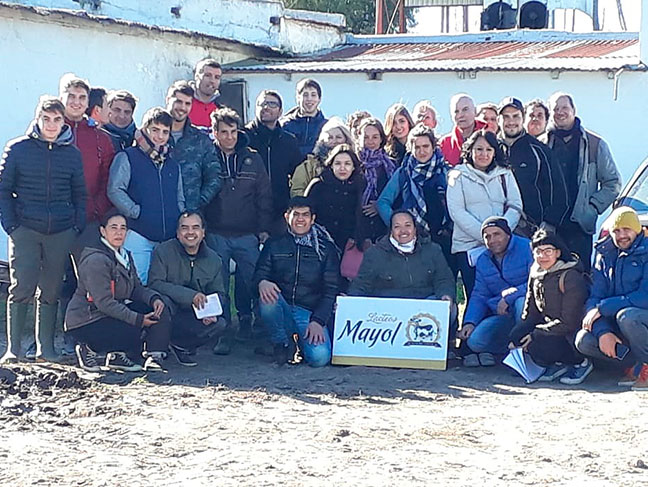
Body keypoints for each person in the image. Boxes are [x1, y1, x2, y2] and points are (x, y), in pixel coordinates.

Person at [0, 96, 86, 363]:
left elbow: (80, 194)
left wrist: (75, 226)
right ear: (38, 119)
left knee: (50, 289)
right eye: (46, 119)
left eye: (57, 120)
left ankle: (45, 349)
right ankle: (13, 349)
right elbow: (4, 189)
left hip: (61, 231)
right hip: (25, 228)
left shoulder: (72, 154)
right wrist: (11, 225)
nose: (51, 124)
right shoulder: (17, 149)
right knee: (22, 286)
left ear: (64, 122)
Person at [65, 210, 170, 373]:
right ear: (103, 231)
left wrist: (154, 299)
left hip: (110, 314)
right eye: (113, 228)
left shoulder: (125, 255)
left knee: (159, 309)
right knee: (133, 329)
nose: (119, 232)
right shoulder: (96, 260)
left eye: (123, 228)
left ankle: (152, 357)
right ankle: (88, 349)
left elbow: (136, 288)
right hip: (88, 318)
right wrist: (138, 319)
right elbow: (104, 302)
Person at [204, 107, 272, 353]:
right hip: (216, 232)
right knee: (217, 285)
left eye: (233, 131)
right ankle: (223, 332)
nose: (229, 137)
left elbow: (264, 195)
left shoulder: (252, 158)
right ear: (215, 133)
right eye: (224, 132)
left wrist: (263, 228)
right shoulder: (207, 157)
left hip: (247, 233)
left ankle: (261, 330)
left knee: (255, 280)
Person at [254, 197, 339, 367]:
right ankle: (282, 344)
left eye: (305, 215)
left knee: (320, 358)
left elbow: (331, 290)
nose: (300, 219)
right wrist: (262, 282)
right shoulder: (273, 244)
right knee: (267, 297)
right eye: (296, 214)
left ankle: (299, 343)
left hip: (308, 311)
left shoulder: (326, 249)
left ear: (313, 219)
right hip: (281, 306)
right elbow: (257, 276)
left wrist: (318, 320)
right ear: (287, 217)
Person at [107, 107, 185, 284]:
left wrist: (179, 214)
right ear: (145, 129)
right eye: (155, 130)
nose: (160, 136)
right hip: (138, 234)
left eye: (165, 132)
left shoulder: (172, 163)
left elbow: (179, 196)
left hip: (168, 237)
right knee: (136, 283)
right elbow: (115, 189)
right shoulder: (127, 157)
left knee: (167, 283)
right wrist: (135, 212)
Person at [545, 92, 621, 270]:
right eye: (555, 108)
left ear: (574, 110)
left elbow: (613, 182)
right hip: (550, 226)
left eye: (564, 107)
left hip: (579, 226)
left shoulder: (595, 144)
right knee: (549, 280)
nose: (560, 112)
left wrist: (592, 207)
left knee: (580, 279)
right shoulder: (542, 145)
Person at [575, 207, 648, 390]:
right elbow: (594, 298)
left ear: (637, 230)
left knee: (628, 317)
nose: (621, 235)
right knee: (583, 340)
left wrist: (604, 308)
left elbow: (645, 296)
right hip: (616, 318)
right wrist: (603, 332)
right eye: (616, 230)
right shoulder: (604, 254)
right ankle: (633, 366)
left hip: (638, 317)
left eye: (626, 229)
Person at [509, 229, 589, 383]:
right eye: (538, 251)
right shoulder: (535, 275)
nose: (543, 256)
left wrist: (534, 335)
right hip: (550, 327)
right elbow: (529, 313)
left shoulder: (570, 276)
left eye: (548, 251)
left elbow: (570, 322)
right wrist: (517, 336)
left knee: (538, 341)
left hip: (571, 332)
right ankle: (557, 363)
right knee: (517, 335)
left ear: (558, 253)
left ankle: (580, 362)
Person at [148, 212, 228, 366]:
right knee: (160, 301)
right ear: (178, 233)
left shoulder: (214, 259)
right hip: (168, 309)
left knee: (219, 324)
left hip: (194, 313)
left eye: (195, 228)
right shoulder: (163, 251)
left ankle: (182, 346)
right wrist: (190, 296)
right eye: (184, 228)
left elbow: (219, 293)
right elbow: (155, 283)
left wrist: (211, 311)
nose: (190, 232)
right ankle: (155, 352)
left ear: (203, 233)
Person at [457, 217, 532, 367]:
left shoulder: (527, 248)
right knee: (475, 341)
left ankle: (527, 356)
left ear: (508, 234)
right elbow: (479, 294)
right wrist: (470, 322)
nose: (492, 240)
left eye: (497, 234)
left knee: (520, 302)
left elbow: (536, 283)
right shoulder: (483, 259)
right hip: (504, 315)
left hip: (530, 313)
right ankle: (511, 350)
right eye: (487, 236)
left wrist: (509, 298)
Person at [377, 124, 453, 270]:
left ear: (433, 147)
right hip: (416, 239)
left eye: (425, 146)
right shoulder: (404, 173)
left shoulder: (446, 171)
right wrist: (399, 226)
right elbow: (383, 202)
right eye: (417, 147)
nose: (422, 151)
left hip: (444, 237)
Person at [497, 97, 568, 235]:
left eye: (515, 116)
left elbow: (558, 191)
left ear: (523, 118)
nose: (511, 122)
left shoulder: (539, 150)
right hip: (496, 231)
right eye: (506, 117)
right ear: (499, 120)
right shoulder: (490, 149)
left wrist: (549, 224)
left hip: (532, 230)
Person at [349, 210, 454, 301]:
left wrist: (445, 294)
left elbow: (443, 279)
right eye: (397, 227)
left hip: (425, 303)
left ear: (415, 228)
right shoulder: (375, 253)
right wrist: (348, 302)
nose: (403, 231)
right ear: (391, 231)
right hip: (388, 309)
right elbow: (361, 285)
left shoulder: (433, 250)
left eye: (408, 225)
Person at [60, 74, 115, 228]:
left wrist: (96, 209)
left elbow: (108, 178)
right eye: (71, 96)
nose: (76, 102)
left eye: (82, 97)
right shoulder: (49, 131)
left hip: (89, 219)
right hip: (54, 220)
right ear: (62, 98)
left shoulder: (101, 138)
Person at [245, 90, 303, 232]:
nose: (266, 107)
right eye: (262, 103)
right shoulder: (244, 138)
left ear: (280, 111)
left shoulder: (289, 141)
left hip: (280, 212)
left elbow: (298, 174)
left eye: (272, 104)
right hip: (248, 212)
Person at [165, 80, 222, 212]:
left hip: (191, 218)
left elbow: (215, 177)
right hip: (158, 214)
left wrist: (198, 202)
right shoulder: (152, 136)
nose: (182, 108)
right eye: (178, 101)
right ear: (168, 99)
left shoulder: (201, 140)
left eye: (187, 103)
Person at [304, 144, 364, 250]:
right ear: (331, 165)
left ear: (353, 167)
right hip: (319, 242)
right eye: (337, 163)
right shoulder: (318, 185)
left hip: (347, 244)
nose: (342, 168)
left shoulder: (359, 186)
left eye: (347, 164)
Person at [290, 117, 354, 197]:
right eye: (330, 137)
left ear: (346, 139)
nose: (334, 141)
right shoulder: (309, 165)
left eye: (338, 137)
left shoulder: (355, 164)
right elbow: (297, 190)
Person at [356, 117, 396, 242]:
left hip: (383, 226)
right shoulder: (353, 163)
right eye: (366, 137)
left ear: (381, 139)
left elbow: (398, 194)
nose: (370, 141)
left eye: (375, 137)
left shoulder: (391, 165)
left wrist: (380, 206)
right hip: (357, 225)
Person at [280, 78, 328, 158]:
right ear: (298, 98)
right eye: (305, 95)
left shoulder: (326, 127)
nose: (309, 99)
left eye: (313, 95)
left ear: (319, 99)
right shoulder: (285, 125)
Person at [439, 94, 486, 166]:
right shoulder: (444, 144)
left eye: (465, 110)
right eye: (456, 111)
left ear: (475, 111)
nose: (460, 115)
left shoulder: (490, 137)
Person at [188, 58, 222, 131]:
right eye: (208, 75)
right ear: (196, 77)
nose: (212, 81)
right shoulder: (184, 105)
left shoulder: (221, 110)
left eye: (217, 77)